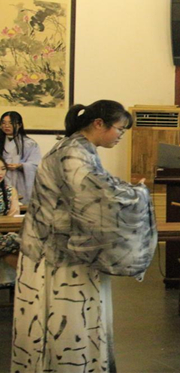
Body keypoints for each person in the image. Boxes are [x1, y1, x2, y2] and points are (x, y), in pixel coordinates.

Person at [11, 100, 157, 372]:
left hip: (57, 247)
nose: (120, 136)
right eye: (119, 129)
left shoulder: (77, 148)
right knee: (68, 327)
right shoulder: (74, 152)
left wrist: (124, 190)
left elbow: (97, 188)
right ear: (98, 124)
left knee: (63, 324)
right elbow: (94, 195)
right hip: (59, 255)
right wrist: (137, 194)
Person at [0, 111, 42, 205]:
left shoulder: (29, 143)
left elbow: (36, 164)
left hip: (21, 180)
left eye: (11, 123)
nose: (6, 126)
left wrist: (21, 166)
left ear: (19, 125)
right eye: (3, 123)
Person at [0, 156, 21, 288]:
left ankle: (27, 279)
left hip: (5, 235)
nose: (0, 173)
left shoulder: (10, 190)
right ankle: (30, 278)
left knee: (18, 240)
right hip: (6, 238)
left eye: (3, 169)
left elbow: (13, 217)